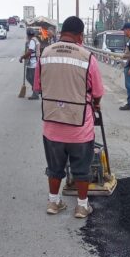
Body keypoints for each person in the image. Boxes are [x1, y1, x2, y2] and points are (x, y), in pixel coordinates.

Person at [34, 16, 104, 219]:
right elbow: (98, 91)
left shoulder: (45, 54)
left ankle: (54, 203)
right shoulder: (87, 57)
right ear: (81, 35)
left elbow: (38, 87)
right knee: (82, 169)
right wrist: (94, 101)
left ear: (62, 32)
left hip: (52, 126)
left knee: (54, 168)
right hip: (79, 128)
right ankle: (82, 206)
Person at [19, 28, 41, 100]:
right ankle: (37, 90)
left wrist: (22, 57)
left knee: (31, 78)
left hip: (33, 63)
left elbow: (29, 52)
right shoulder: (35, 39)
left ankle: (36, 92)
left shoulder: (32, 41)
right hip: (34, 62)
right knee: (29, 77)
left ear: (28, 34)